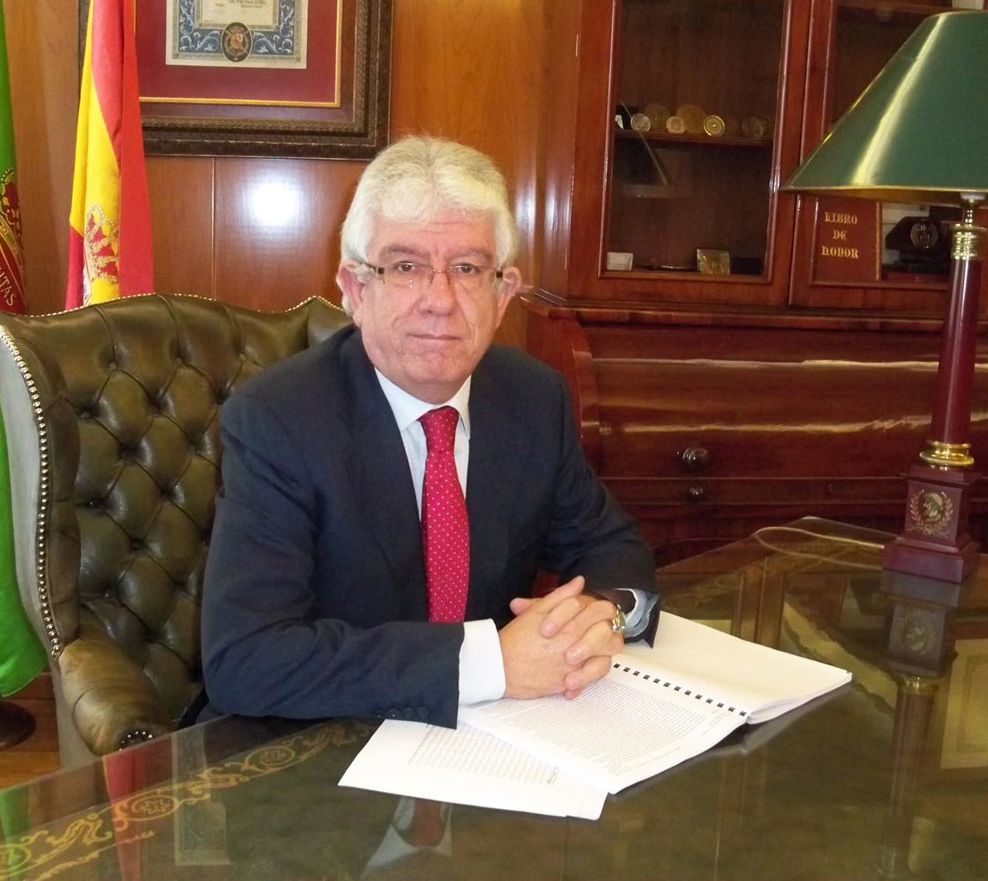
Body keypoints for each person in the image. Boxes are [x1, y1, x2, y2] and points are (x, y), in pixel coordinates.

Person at [201, 136, 657, 728]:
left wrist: (601, 615)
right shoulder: (278, 420)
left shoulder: (532, 398)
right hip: (325, 742)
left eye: (467, 269)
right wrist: (489, 664)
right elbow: (246, 659)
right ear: (356, 289)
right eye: (406, 267)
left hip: (496, 735)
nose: (439, 301)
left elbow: (614, 551)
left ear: (502, 294)